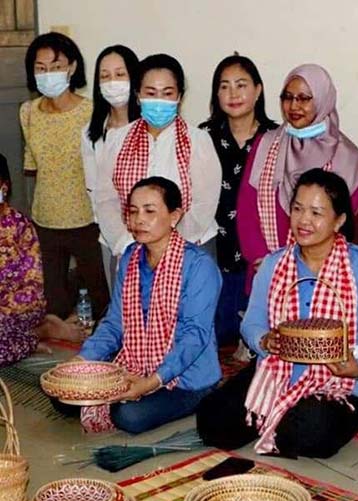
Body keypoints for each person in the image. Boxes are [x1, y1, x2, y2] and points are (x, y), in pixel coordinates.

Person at [197, 169, 358, 458]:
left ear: (339, 220)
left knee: (306, 432)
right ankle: (277, 412)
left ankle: (284, 418)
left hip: (337, 384)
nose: (304, 220)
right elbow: (252, 322)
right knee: (213, 422)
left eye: (316, 212)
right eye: (298, 209)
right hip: (275, 372)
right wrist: (264, 340)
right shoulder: (274, 264)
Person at [77, 177, 222, 434]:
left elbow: (194, 336)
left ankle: (196, 398)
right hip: (137, 363)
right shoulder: (130, 258)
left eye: (150, 211)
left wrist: (151, 382)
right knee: (67, 394)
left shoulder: (199, 266)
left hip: (187, 377)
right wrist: (83, 360)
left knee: (128, 416)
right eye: (133, 211)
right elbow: (115, 322)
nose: (139, 220)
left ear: (174, 216)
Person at [237, 64, 358, 293]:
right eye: (287, 97)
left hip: (323, 281)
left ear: (323, 100)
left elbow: (346, 226)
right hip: (265, 274)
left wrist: (307, 269)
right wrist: (265, 261)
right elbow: (246, 210)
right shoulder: (266, 144)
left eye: (304, 98)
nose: (294, 106)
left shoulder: (348, 158)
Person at [92, 53, 222, 261]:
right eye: (151, 93)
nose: (159, 101)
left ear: (179, 97)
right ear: (138, 95)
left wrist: (166, 245)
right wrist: (126, 242)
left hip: (190, 246)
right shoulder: (117, 140)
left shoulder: (198, 141)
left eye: (167, 93)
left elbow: (204, 203)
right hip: (127, 248)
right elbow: (106, 199)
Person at [20, 32, 109, 322]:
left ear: (72, 67)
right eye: (41, 68)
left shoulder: (92, 111)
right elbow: (33, 167)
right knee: (53, 307)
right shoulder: (28, 112)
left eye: (56, 66)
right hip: (45, 220)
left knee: (101, 299)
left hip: (88, 220)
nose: (48, 74)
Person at [200, 54, 278, 346]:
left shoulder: (276, 138)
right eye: (224, 86)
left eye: (241, 85)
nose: (233, 94)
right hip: (213, 252)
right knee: (214, 335)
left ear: (258, 90)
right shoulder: (203, 137)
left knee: (257, 337)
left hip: (259, 256)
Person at [0, 154, 85, 367]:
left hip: (17, 310)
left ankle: (43, 330)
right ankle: (26, 340)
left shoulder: (20, 227)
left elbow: (32, 287)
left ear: (3, 188)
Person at [81, 44, 140, 288]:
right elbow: (94, 189)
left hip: (154, 233)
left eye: (120, 74)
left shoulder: (150, 126)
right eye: (105, 76)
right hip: (112, 237)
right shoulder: (91, 133)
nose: (112, 82)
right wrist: (117, 235)